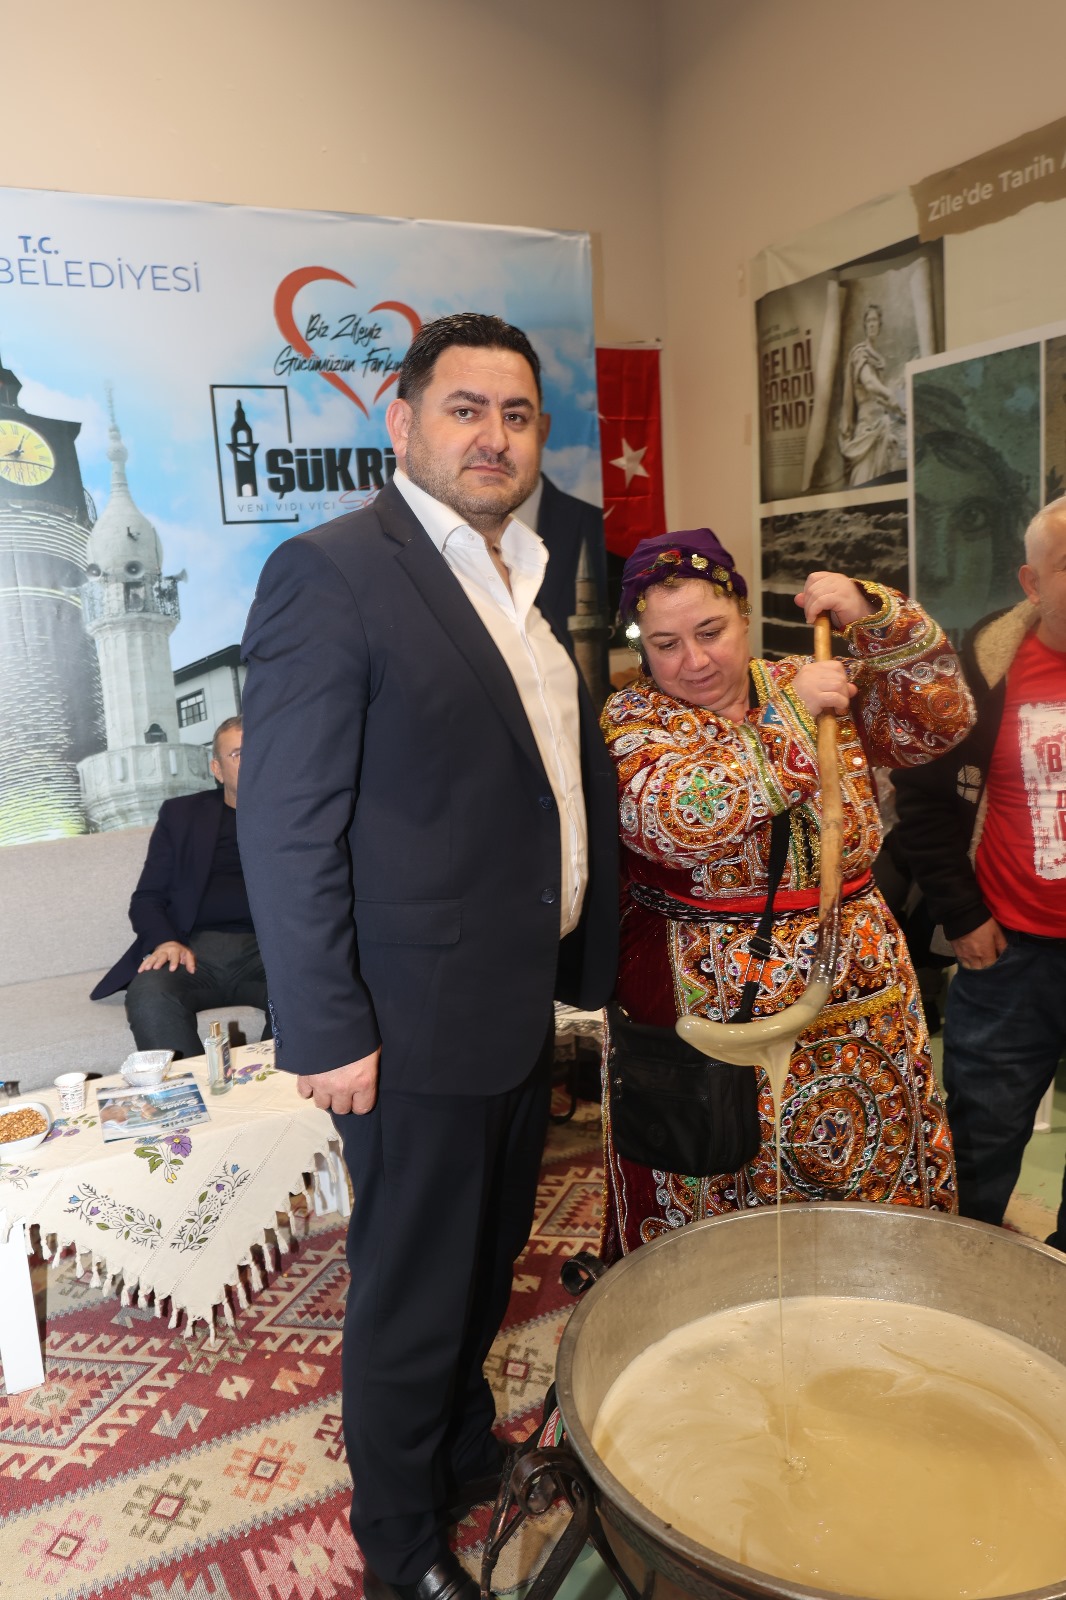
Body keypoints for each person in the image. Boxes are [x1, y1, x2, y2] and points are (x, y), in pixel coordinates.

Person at [236, 313, 617, 1600]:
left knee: (482, 1263)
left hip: (509, 1005)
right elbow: (286, 821)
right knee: (410, 1290)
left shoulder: (522, 573)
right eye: (464, 409)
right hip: (406, 1021)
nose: (492, 436)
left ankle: (458, 1454)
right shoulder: (334, 573)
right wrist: (326, 1025)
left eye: (516, 415)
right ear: (401, 422)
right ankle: (400, 1544)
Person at [598, 530, 974, 1261]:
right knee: (723, 1182)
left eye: (711, 632)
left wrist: (875, 618)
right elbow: (679, 817)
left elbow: (938, 722)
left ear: (744, 618)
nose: (695, 661)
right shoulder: (635, 721)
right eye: (667, 644)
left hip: (859, 985)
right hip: (713, 1000)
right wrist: (793, 723)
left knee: (872, 1167)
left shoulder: (811, 675)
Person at [892, 496, 1066, 1254]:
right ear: (1032, 581)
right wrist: (962, 915)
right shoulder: (980, 672)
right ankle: (962, 1290)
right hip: (1009, 960)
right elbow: (923, 803)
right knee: (977, 1149)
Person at [91, 717, 269, 1059]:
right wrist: (166, 941)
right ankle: (191, 1087)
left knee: (310, 985)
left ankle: (278, 1080)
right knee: (150, 993)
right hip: (191, 951)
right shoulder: (182, 815)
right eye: (238, 754)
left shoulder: (298, 817)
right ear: (217, 769)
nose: (253, 761)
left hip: (268, 951)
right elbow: (147, 898)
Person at [837, 303, 906, 487]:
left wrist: (899, 406)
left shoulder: (878, 359)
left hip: (882, 429)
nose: (872, 324)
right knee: (863, 483)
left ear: (880, 325)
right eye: (869, 321)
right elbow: (869, 383)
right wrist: (891, 394)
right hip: (867, 430)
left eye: (875, 320)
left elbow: (881, 399)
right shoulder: (860, 353)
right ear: (865, 325)